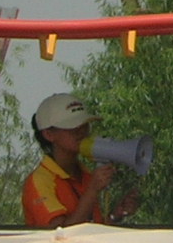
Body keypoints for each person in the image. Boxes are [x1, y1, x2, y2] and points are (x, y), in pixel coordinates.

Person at [22, 93, 137, 227]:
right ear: (49, 134)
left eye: (84, 125)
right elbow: (60, 233)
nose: (81, 131)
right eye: (72, 127)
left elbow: (90, 228)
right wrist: (92, 190)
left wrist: (115, 215)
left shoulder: (86, 175)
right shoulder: (40, 181)